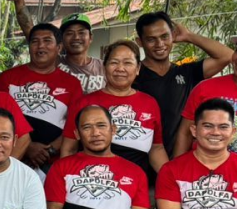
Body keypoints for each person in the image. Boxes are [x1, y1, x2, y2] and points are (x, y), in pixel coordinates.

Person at [60, 40, 167, 182]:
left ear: (138, 68)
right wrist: (65, 182)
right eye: (114, 62)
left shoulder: (150, 103)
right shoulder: (84, 103)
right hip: (92, 183)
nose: (120, 68)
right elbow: (69, 149)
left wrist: (171, 180)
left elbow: (156, 149)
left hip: (134, 187)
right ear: (104, 66)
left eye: (127, 63)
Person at [135, 10, 234, 156]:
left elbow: (227, 56)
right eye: (151, 39)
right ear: (140, 42)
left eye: (165, 36)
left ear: (173, 36)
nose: (160, 44)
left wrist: (189, 36)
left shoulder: (186, 72)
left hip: (181, 159)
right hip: (142, 158)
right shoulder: (133, 75)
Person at [0, 23, 83, 174]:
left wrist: (48, 151)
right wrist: (27, 146)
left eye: (47, 41)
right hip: (11, 160)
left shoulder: (72, 84)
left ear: (59, 48)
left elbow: (74, 126)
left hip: (50, 165)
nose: (40, 46)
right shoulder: (7, 78)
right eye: (35, 41)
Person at [7, 0, 105, 92]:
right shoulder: (53, 62)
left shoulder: (103, 67)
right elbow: (29, 29)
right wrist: (19, 1)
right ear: (61, 40)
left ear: (90, 37)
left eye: (81, 33)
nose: (76, 37)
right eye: (69, 33)